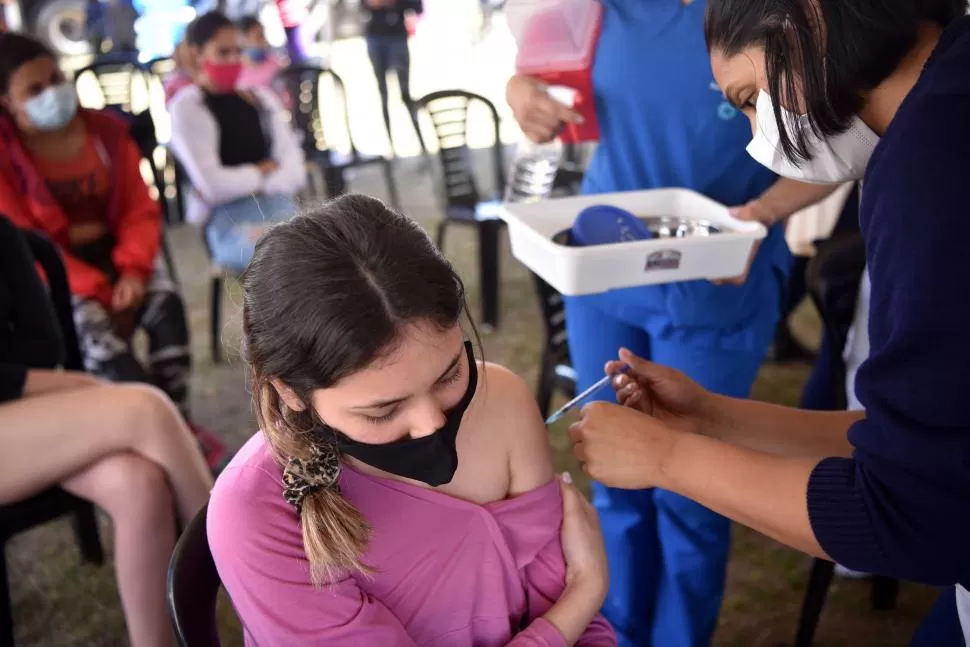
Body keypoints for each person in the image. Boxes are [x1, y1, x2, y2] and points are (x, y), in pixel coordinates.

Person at [569, 1, 970, 644]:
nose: (756, 136)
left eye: (749, 98)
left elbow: (908, 511)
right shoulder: (943, 104)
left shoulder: (930, 167)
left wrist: (670, 458)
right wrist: (713, 420)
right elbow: (917, 443)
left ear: (808, 19)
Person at [505, 2, 843, 644]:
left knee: (692, 485)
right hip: (603, 267)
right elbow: (537, 72)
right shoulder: (597, 8)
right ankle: (622, 632)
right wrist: (521, 92)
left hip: (715, 275)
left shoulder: (778, 13)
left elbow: (838, 144)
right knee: (612, 478)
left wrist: (762, 212)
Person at [206, 194, 616, 646]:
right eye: (383, 410)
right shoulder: (256, 513)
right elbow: (570, 602)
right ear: (289, 390)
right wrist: (585, 593)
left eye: (450, 373)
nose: (431, 425)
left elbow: (563, 606)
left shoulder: (501, 401)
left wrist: (574, 610)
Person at [0, 32, 228, 470]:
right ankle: (156, 436)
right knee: (94, 331)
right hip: (56, 275)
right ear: (7, 102)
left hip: (122, 260)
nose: (52, 93)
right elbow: (26, 245)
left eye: (56, 78)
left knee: (167, 306)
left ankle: (177, 424)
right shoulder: (6, 157)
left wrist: (133, 271)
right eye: (34, 89)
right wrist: (99, 288)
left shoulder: (106, 131)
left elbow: (139, 209)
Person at [0, 214, 213, 647]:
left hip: (23, 411)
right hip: (27, 403)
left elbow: (46, 344)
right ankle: (238, 574)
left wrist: (27, 379)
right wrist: (54, 383)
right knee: (145, 407)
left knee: (140, 484)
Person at [169, 11, 305, 272]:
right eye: (223, 52)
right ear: (198, 53)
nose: (233, 59)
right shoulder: (188, 107)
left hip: (280, 207)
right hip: (227, 222)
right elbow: (211, 185)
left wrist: (247, 181)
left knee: (326, 253)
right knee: (281, 261)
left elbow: (294, 169)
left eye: (237, 50)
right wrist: (260, 171)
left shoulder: (261, 100)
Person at [363, 0, 426, 155]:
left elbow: (417, 7)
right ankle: (391, 148)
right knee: (383, 94)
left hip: (397, 36)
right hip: (376, 36)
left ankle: (422, 146)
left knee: (406, 94)